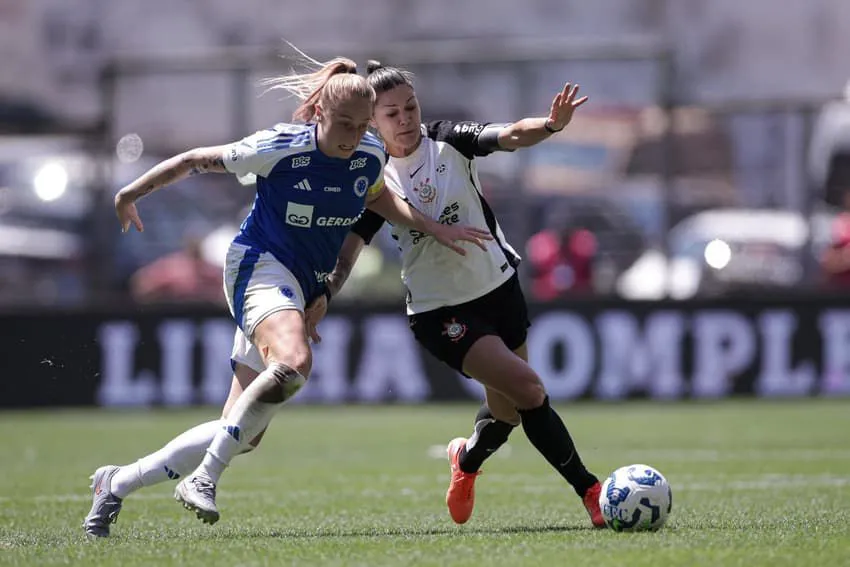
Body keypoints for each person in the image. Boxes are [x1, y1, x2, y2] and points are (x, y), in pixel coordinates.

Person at [83, 56, 491, 537]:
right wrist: (129, 193)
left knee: (242, 433)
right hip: (257, 266)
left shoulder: (368, 154)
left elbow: (377, 196)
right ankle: (203, 480)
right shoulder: (278, 147)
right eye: (344, 125)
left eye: (362, 127)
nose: (352, 136)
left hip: (297, 285)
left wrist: (431, 227)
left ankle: (116, 482)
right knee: (295, 361)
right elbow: (193, 161)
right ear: (319, 114)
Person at [289, 60, 606, 527]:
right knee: (529, 389)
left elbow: (512, 135)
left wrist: (551, 125)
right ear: (373, 123)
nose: (406, 119)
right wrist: (326, 295)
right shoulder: (373, 175)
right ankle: (591, 491)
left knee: (508, 412)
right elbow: (349, 252)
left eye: (411, 107)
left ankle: (467, 460)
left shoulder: (447, 140)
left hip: (498, 287)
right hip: (442, 312)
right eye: (392, 113)